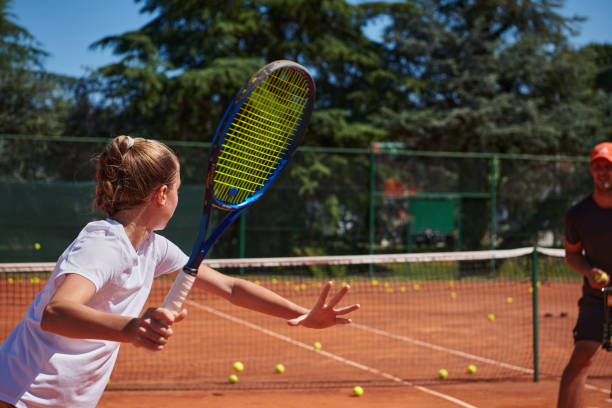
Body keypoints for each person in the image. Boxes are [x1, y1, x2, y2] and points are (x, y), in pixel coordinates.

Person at [0, 135, 360, 408]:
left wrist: (303, 314)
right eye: (176, 189)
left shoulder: (153, 248)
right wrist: (133, 328)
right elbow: (56, 313)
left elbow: (231, 288)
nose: (178, 197)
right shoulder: (104, 243)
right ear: (160, 195)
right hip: (20, 394)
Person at [557, 142, 612, 408]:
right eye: (597, 167)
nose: (603, 172)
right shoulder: (578, 215)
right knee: (581, 357)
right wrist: (589, 271)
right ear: (591, 171)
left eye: (608, 167)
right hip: (596, 298)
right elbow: (572, 254)